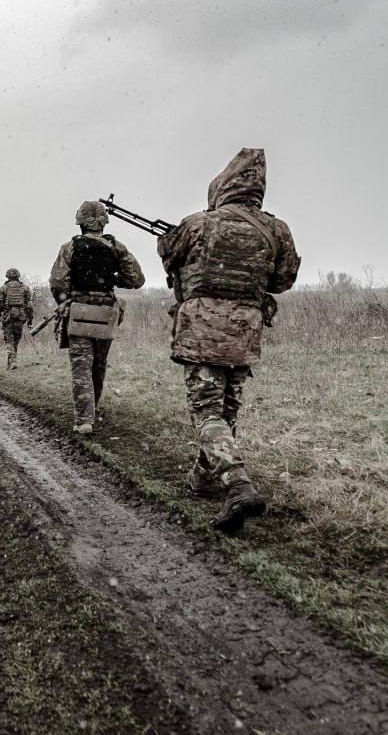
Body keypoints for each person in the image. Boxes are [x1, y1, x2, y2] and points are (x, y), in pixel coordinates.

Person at [158, 148, 301, 533]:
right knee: (226, 412)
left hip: (202, 330)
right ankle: (205, 478)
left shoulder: (198, 224)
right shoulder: (276, 230)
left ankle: (237, 486)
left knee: (206, 412)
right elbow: (284, 280)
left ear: (222, 185)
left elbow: (169, 258)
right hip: (244, 332)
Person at [48, 200, 146, 435]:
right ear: (104, 222)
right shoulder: (117, 247)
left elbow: (57, 282)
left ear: (80, 223)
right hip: (106, 312)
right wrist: (111, 280)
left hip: (80, 311)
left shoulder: (69, 247)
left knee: (81, 367)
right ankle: (93, 409)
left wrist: (65, 301)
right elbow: (136, 280)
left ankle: (84, 420)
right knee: (98, 365)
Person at [0, 268, 33, 370]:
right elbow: (29, 306)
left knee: (9, 340)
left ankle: (12, 361)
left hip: (8, 318)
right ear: (18, 276)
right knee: (16, 340)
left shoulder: (4, 288)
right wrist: (30, 319)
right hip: (20, 318)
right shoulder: (25, 288)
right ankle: (12, 361)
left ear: (8, 277)